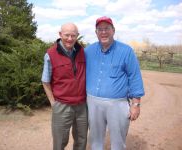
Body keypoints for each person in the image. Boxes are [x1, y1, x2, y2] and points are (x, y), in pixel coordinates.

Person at [85, 16, 145, 150]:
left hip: (117, 103)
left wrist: (136, 104)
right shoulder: (88, 51)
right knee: (95, 139)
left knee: (118, 141)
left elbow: (134, 77)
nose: (103, 32)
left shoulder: (126, 51)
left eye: (107, 28)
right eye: (100, 29)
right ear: (96, 33)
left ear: (113, 30)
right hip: (93, 103)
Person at [41, 23, 88, 150]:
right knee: (60, 141)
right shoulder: (50, 54)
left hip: (82, 105)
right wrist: (53, 103)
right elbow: (45, 81)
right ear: (60, 34)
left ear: (77, 36)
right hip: (62, 105)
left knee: (81, 140)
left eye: (73, 35)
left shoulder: (83, 52)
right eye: (67, 35)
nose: (70, 38)